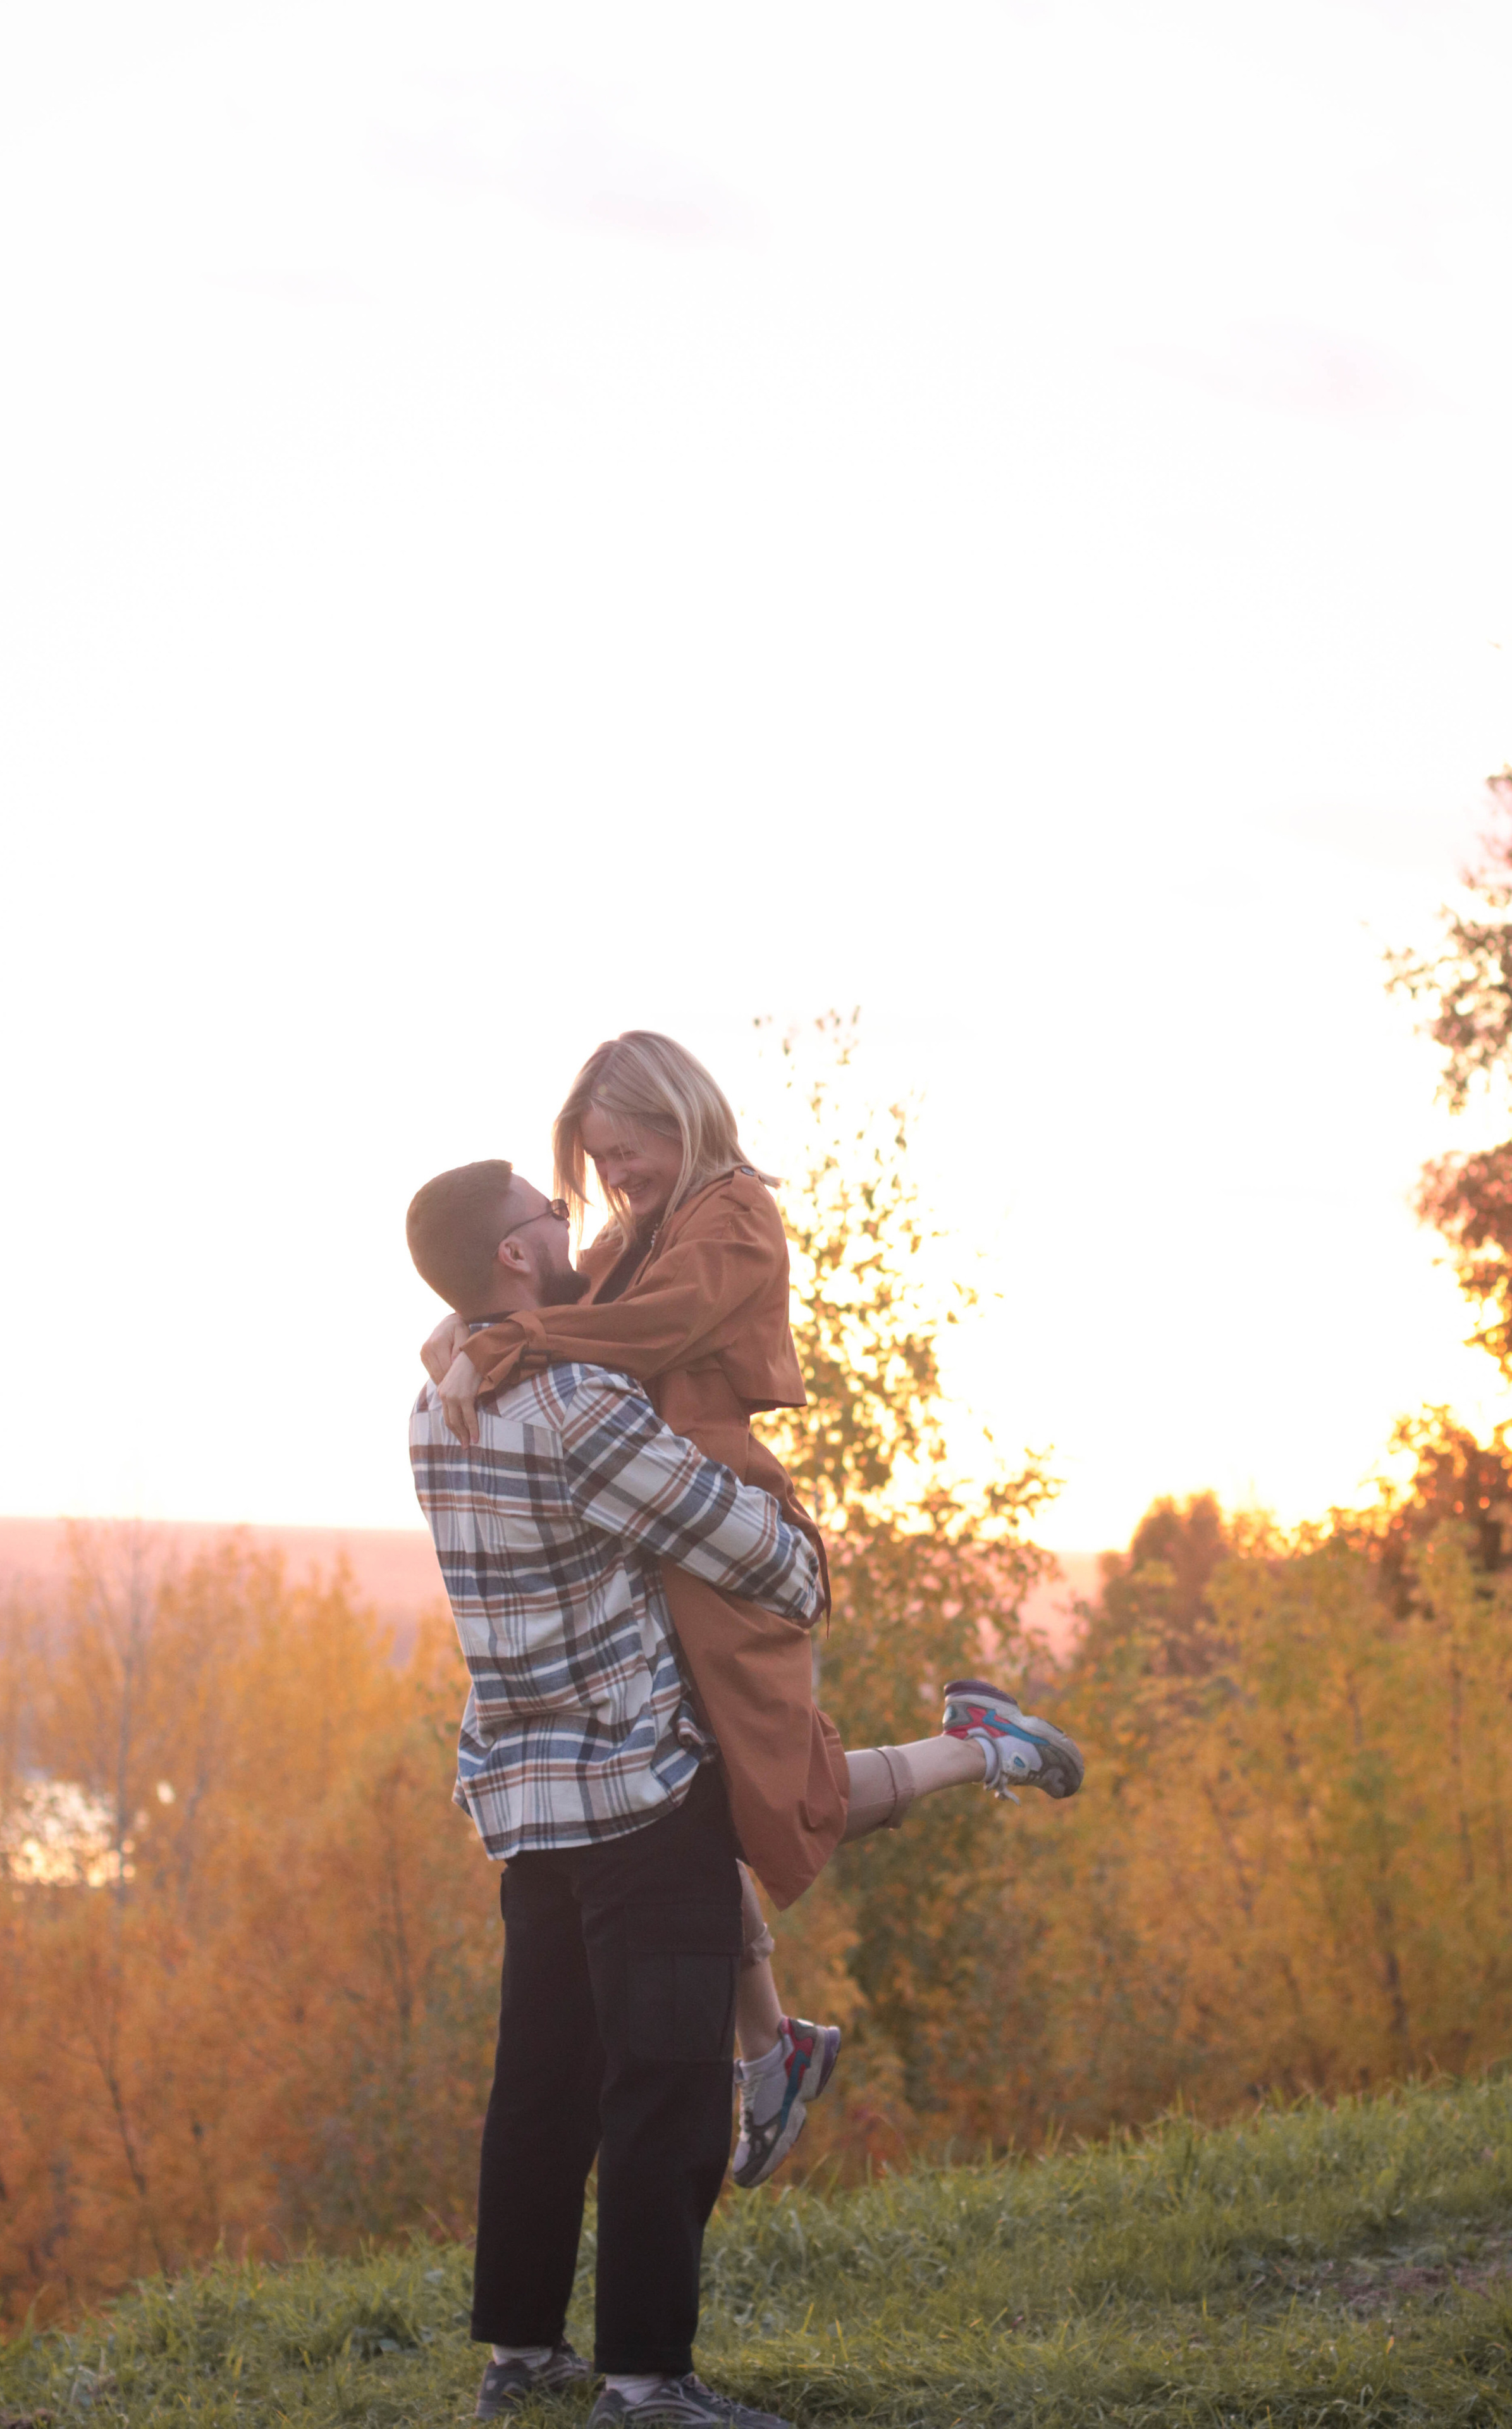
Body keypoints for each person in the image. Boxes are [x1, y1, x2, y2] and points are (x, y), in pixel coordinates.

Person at [421, 1035, 1084, 2189]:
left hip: (719, 1521)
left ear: (677, 1117)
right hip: (656, 1528)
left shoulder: (733, 1217)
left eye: (626, 1150)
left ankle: (976, 1749)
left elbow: (649, 1332)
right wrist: (460, 1325)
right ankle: (773, 2043)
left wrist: (509, 1335)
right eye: (598, 1162)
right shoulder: (639, 1227)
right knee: (689, 1793)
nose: (614, 1179)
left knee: (773, 1792)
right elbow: (559, 1296)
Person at [407, 1159, 819, 2426]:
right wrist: (796, 1542)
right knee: (666, 2087)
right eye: (547, 1212)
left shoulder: (434, 1406)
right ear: (513, 1257)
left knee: (541, 2084)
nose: (566, 1219)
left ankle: (521, 2354)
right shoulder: (578, 1404)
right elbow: (750, 1552)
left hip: (526, 1802)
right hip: (639, 1795)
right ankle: (645, 2384)